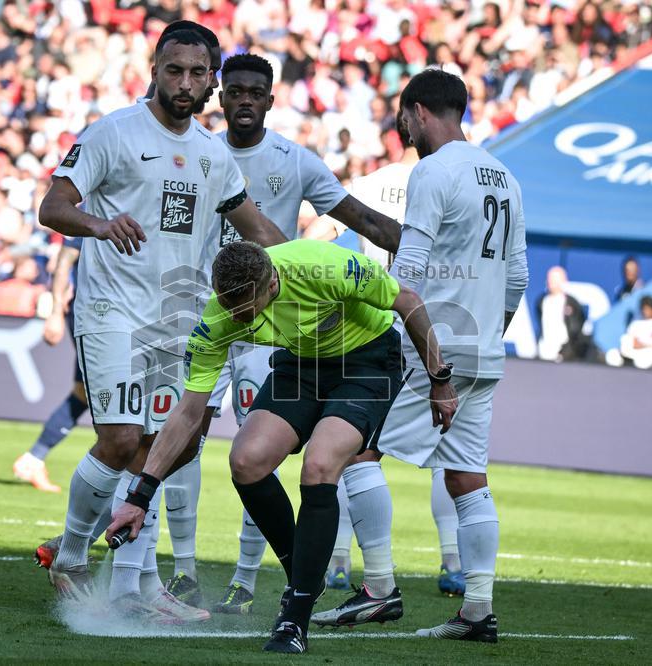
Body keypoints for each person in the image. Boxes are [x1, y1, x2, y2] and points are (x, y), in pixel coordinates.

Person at [37, 28, 285, 626]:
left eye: (197, 74)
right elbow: (53, 206)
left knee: (157, 454)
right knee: (122, 442)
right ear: (155, 68)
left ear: (211, 81)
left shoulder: (212, 154)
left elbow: (258, 230)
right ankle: (70, 557)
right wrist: (97, 224)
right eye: (174, 71)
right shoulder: (113, 132)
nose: (185, 84)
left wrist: (317, 270)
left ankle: (133, 586)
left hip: (178, 321)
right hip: (111, 312)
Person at [105, 239, 458, 654]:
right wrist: (140, 495)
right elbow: (186, 413)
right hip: (302, 362)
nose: (236, 317)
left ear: (271, 283)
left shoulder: (326, 267)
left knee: (320, 465)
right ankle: (305, 572)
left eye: (245, 308)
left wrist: (439, 378)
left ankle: (295, 617)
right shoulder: (219, 316)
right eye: (228, 306)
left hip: (366, 361)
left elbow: (408, 301)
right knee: (246, 460)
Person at [162, 53, 403, 615]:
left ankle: (246, 584)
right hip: (206, 318)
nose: (244, 100)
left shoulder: (296, 161)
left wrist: (416, 256)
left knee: (256, 451)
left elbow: (362, 219)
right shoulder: (192, 153)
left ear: (271, 100)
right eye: (236, 91)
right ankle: (183, 572)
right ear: (221, 97)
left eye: (256, 92)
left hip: (275, 328)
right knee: (183, 438)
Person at [314, 68, 528, 642]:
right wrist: (485, 338)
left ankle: (378, 590)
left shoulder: (431, 172)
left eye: (402, 115)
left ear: (418, 112)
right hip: (483, 351)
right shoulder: (504, 174)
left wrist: (423, 361)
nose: (401, 125)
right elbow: (517, 277)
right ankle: (478, 610)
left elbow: (406, 276)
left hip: (429, 349)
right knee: (468, 478)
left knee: (354, 449)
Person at [307, 110, 468, 600]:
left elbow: (317, 238)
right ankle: (454, 563)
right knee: (451, 453)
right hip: (441, 327)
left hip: (380, 331)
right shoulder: (454, 183)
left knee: (353, 449)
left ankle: (339, 562)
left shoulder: (370, 184)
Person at [14, 237, 87, 495]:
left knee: (84, 393)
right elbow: (65, 259)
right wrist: (55, 312)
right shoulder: (98, 205)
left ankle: (33, 459)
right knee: (105, 391)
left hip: (112, 313)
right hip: (91, 314)